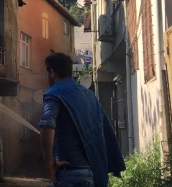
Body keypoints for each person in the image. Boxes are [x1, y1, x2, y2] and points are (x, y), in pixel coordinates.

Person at [39, 52, 125, 187]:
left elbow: (47, 125)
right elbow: (105, 128)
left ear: (52, 73)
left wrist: (49, 161)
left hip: (68, 173)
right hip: (90, 172)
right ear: (70, 72)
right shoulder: (89, 95)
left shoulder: (54, 93)